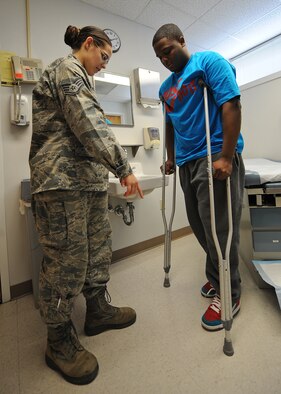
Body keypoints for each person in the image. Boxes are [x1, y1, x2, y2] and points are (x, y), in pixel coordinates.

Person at [29, 25, 143, 385]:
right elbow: (89, 123)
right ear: (88, 44)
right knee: (66, 261)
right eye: (104, 56)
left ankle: (97, 310)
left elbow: (95, 128)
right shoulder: (67, 69)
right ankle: (58, 340)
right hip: (61, 182)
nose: (105, 65)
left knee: (96, 250)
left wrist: (109, 171)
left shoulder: (84, 78)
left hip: (87, 183)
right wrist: (124, 168)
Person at [152, 24, 245, 332]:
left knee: (220, 227)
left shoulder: (208, 63)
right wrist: (169, 156)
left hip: (214, 155)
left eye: (168, 51)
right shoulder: (165, 88)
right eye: (159, 56)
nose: (164, 59)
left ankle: (228, 292)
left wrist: (226, 157)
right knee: (200, 225)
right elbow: (168, 124)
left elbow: (231, 104)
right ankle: (217, 274)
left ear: (182, 41)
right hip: (187, 161)